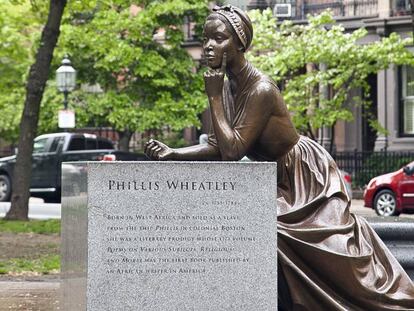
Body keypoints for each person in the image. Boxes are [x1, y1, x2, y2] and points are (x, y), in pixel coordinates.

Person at [145, 5, 414, 310]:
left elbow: (232, 152)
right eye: (205, 38)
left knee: (290, 235)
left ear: (239, 43)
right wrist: (174, 153)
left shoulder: (259, 89)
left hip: (305, 178)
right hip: (275, 178)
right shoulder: (232, 83)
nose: (208, 46)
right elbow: (225, 145)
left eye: (218, 39)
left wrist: (214, 96)